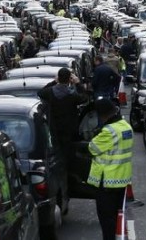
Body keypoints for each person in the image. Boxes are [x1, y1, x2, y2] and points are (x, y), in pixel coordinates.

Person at [38, 67, 88, 214]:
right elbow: (85, 97)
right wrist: (78, 83)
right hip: (70, 133)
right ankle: (69, 185)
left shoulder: (50, 92)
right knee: (68, 161)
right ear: (69, 79)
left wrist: (54, 82)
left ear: (59, 78)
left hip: (54, 133)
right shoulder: (72, 95)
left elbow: (40, 92)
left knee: (58, 161)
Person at [87, 98, 133, 240]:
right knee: (118, 218)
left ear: (103, 115)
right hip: (121, 181)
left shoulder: (109, 131)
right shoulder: (125, 126)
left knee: (107, 222)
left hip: (106, 183)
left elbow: (92, 148)